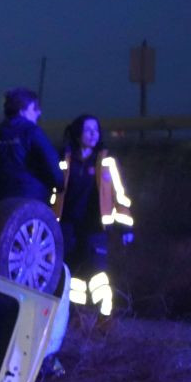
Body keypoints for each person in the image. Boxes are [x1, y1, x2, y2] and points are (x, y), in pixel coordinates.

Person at [52, 114, 134, 318]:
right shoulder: (64, 158)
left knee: (99, 274)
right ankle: (76, 319)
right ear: (77, 133)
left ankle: (104, 320)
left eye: (96, 130)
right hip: (68, 227)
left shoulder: (106, 161)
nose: (93, 134)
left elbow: (119, 193)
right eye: (88, 130)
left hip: (95, 228)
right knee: (73, 275)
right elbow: (53, 190)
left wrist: (126, 225)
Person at [0, 87, 62, 206]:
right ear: (22, 111)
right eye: (34, 108)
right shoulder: (32, 132)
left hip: (0, 201)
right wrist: (59, 185)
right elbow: (50, 162)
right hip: (31, 199)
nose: (39, 112)